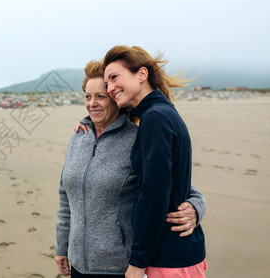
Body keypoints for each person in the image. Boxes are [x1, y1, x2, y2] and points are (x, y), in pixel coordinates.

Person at [55, 59, 206, 277]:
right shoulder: (79, 137)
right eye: (88, 97)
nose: (92, 103)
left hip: (119, 267)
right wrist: (62, 246)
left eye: (100, 96)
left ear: (115, 99)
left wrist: (195, 207)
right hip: (77, 263)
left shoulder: (137, 138)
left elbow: (176, 184)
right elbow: (65, 197)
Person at [102, 46, 207, 277]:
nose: (110, 88)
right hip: (182, 251)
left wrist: (138, 262)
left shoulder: (155, 119)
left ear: (141, 74)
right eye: (106, 84)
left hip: (168, 257)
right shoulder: (163, 112)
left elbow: (154, 193)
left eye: (114, 77)